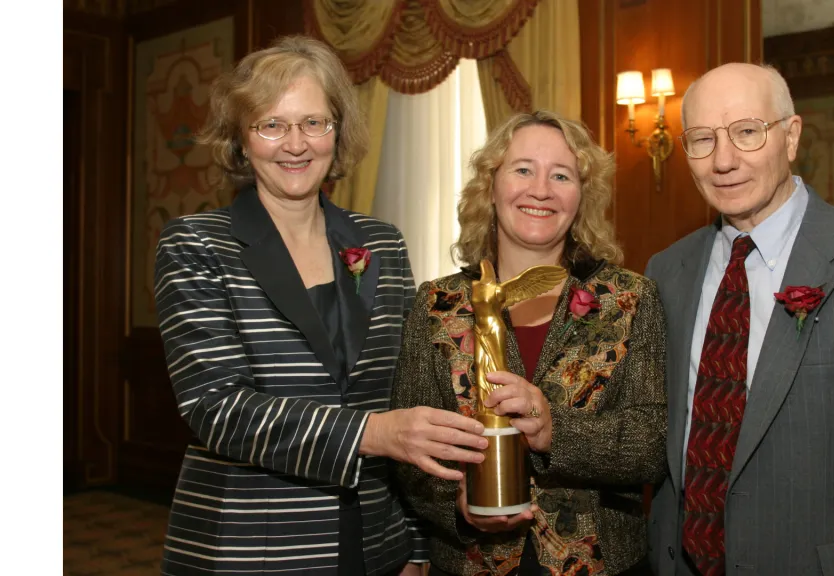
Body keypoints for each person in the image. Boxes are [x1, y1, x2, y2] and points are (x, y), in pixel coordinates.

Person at [153, 35, 490, 576]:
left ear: (338, 131)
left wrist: (415, 546)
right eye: (272, 125)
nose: (296, 144)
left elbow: (404, 391)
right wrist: (371, 434)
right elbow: (215, 407)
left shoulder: (380, 244)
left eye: (314, 123)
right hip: (249, 546)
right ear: (242, 140)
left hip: (375, 543)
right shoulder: (197, 245)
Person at [645, 62, 834, 576]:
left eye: (747, 132)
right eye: (702, 140)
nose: (724, 160)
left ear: (790, 138)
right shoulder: (667, 271)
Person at [390, 110, 668, 575]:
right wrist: (454, 500)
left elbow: (652, 444)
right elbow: (410, 454)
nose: (540, 189)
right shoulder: (437, 304)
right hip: (468, 563)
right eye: (523, 169)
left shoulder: (630, 299)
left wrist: (554, 430)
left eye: (561, 175)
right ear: (491, 185)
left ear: (581, 196)